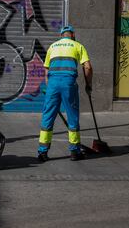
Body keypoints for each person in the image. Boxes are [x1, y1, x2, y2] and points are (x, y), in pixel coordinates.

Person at [37, 25, 93, 162]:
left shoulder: (52, 46)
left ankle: (42, 152)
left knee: (48, 117)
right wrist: (88, 85)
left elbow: (46, 69)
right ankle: (74, 151)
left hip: (53, 84)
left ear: (61, 35)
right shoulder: (78, 46)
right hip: (69, 84)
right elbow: (88, 67)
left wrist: (49, 86)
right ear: (73, 35)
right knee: (72, 117)